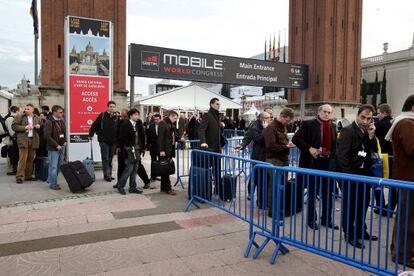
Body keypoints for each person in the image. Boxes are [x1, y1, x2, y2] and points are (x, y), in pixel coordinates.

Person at [336, 104, 378, 249]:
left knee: (364, 203)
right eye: (363, 117)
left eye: (369, 118)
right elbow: (342, 156)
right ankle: (349, 233)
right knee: (350, 206)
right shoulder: (348, 131)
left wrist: (372, 136)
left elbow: (372, 150)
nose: (365, 121)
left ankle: (361, 230)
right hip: (352, 175)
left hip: (365, 174)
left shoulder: (368, 131)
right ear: (357, 115)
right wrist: (349, 175)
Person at [292, 104, 338, 230]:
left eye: (329, 112)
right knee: (312, 193)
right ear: (319, 112)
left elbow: (335, 145)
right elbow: (296, 139)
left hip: (327, 164)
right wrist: (309, 148)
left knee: (328, 193)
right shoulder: (308, 124)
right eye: (324, 111)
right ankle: (312, 220)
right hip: (312, 163)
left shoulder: (332, 126)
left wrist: (333, 161)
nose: (327, 114)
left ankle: (326, 219)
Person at [385, 95, 414, 268]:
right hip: (408, 179)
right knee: (407, 219)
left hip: (408, 178)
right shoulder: (406, 124)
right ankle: (402, 255)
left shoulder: (407, 123)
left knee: (406, 217)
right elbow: (412, 149)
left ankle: (401, 250)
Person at [263, 108, 295, 216]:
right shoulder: (271, 128)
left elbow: (281, 141)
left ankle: (280, 208)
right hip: (274, 160)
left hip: (282, 159)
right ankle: (272, 211)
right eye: (287, 120)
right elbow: (270, 146)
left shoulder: (282, 127)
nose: (288, 123)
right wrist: (286, 146)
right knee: (274, 186)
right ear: (281, 116)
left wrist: (287, 144)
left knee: (282, 186)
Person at [237, 111, 271, 204]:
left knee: (266, 179)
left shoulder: (270, 127)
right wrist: (242, 145)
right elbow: (254, 139)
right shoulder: (255, 127)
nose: (270, 119)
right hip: (258, 157)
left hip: (267, 157)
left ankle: (265, 200)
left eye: (270, 117)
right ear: (262, 119)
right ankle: (254, 195)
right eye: (268, 117)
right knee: (256, 177)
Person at [199, 98, 226, 193]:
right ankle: (205, 190)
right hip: (209, 149)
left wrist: (221, 125)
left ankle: (217, 189)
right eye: (217, 104)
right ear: (211, 104)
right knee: (207, 171)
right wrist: (203, 141)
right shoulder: (207, 115)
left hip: (217, 149)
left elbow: (215, 130)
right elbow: (201, 129)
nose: (219, 105)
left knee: (218, 171)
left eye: (219, 104)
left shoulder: (216, 116)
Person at [115, 108, 144, 195]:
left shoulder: (137, 123)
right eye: (135, 115)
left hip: (137, 149)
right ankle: (120, 186)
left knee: (135, 169)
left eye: (138, 115)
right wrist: (130, 144)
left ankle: (132, 187)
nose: (137, 116)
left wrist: (142, 147)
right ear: (130, 115)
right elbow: (121, 138)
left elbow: (141, 136)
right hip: (129, 150)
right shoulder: (125, 124)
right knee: (128, 169)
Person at [12, 104, 42, 184]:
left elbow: (40, 126)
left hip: (33, 140)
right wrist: (24, 127)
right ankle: (20, 176)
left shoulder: (37, 118)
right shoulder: (19, 117)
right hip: (23, 140)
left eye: (28, 109)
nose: (26, 110)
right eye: (25, 109)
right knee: (23, 159)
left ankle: (28, 175)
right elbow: (14, 127)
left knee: (30, 158)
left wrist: (38, 126)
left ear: (32, 110)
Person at [374, 104, 395, 216]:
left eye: (378, 113)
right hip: (394, 157)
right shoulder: (394, 123)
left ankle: (380, 205)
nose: (378, 115)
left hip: (381, 158)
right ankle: (390, 207)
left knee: (377, 181)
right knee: (392, 183)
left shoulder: (379, 125)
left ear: (383, 113)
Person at [89, 101, 118, 182]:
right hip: (103, 140)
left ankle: (109, 174)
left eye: (113, 107)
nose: (112, 108)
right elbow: (94, 125)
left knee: (110, 158)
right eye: (111, 106)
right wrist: (90, 134)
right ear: (107, 107)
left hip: (113, 141)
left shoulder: (116, 117)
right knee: (105, 158)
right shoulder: (102, 115)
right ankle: (106, 175)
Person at [44, 105, 66, 190]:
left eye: (62, 112)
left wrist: (65, 141)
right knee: (53, 166)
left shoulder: (61, 121)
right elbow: (47, 136)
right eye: (60, 112)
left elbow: (63, 132)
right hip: (53, 148)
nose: (62, 113)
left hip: (62, 146)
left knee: (59, 165)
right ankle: (53, 184)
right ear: (54, 112)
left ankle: (50, 179)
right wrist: (56, 145)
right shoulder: (49, 122)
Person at [157, 110, 178, 195]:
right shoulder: (163, 123)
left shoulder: (170, 124)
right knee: (166, 169)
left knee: (164, 168)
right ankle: (168, 188)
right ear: (171, 116)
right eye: (175, 118)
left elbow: (172, 136)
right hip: (164, 150)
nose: (176, 120)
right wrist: (161, 150)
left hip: (169, 149)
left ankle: (163, 187)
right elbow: (160, 138)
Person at [4, 106, 20, 175]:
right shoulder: (11, 118)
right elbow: (11, 131)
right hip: (11, 140)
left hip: (12, 139)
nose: (20, 113)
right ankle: (10, 170)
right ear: (16, 111)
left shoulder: (12, 118)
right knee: (11, 155)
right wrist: (15, 138)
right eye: (19, 111)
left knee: (12, 154)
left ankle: (13, 168)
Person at [116, 108, 129, 183]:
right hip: (121, 147)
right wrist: (117, 146)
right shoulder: (120, 121)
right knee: (120, 166)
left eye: (123, 112)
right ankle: (119, 182)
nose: (121, 113)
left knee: (131, 167)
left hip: (128, 147)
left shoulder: (130, 122)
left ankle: (146, 180)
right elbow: (117, 134)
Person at [148, 113, 161, 181]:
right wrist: (148, 146)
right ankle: (153, 176)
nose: (156, 121)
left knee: (161, 162)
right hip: (153, 147)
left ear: (160, 119)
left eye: (157, 119)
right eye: (155, 119)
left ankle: (159, 174)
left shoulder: (162, 125)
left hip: (160, 147)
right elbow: (148, 137)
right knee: (153, 161)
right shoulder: (151, 126)